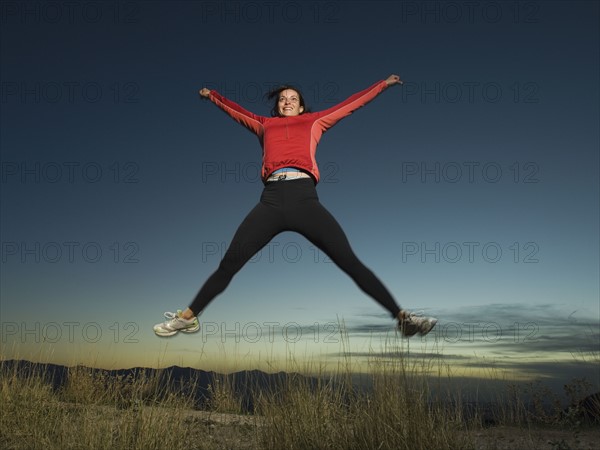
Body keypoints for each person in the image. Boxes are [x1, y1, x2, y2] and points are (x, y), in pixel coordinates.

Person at [153, 74, 437, 338]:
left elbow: (351, 104)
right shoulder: (264, 124)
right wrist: (212, 95)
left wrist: (382, 85)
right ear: (277, 108)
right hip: (271, 201)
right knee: (230, 262)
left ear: (301, 107)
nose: (287, 101)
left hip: (304, 198)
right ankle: (187, 317)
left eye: (293, 99)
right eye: (282, 99)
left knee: (349, 260)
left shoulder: (315, 121)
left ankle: (402, 318)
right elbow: (235, 111)